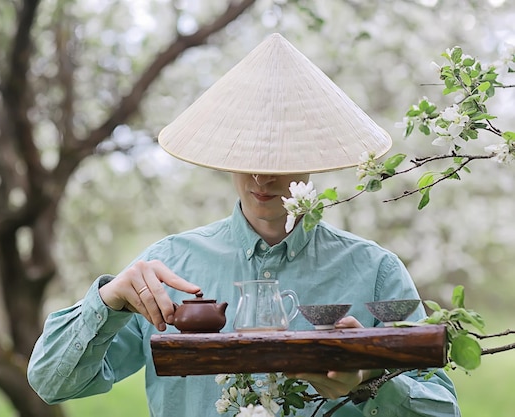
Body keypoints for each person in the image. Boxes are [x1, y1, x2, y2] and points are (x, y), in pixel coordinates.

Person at [27, 33, 461, 417]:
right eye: (248, 158)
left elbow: (442, 410)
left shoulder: (374, 271)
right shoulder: (169, 265)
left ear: (314, 156)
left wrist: (368, 384)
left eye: (279, 159)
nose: (261, 178)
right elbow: (51, 383)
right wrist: (109, 302)